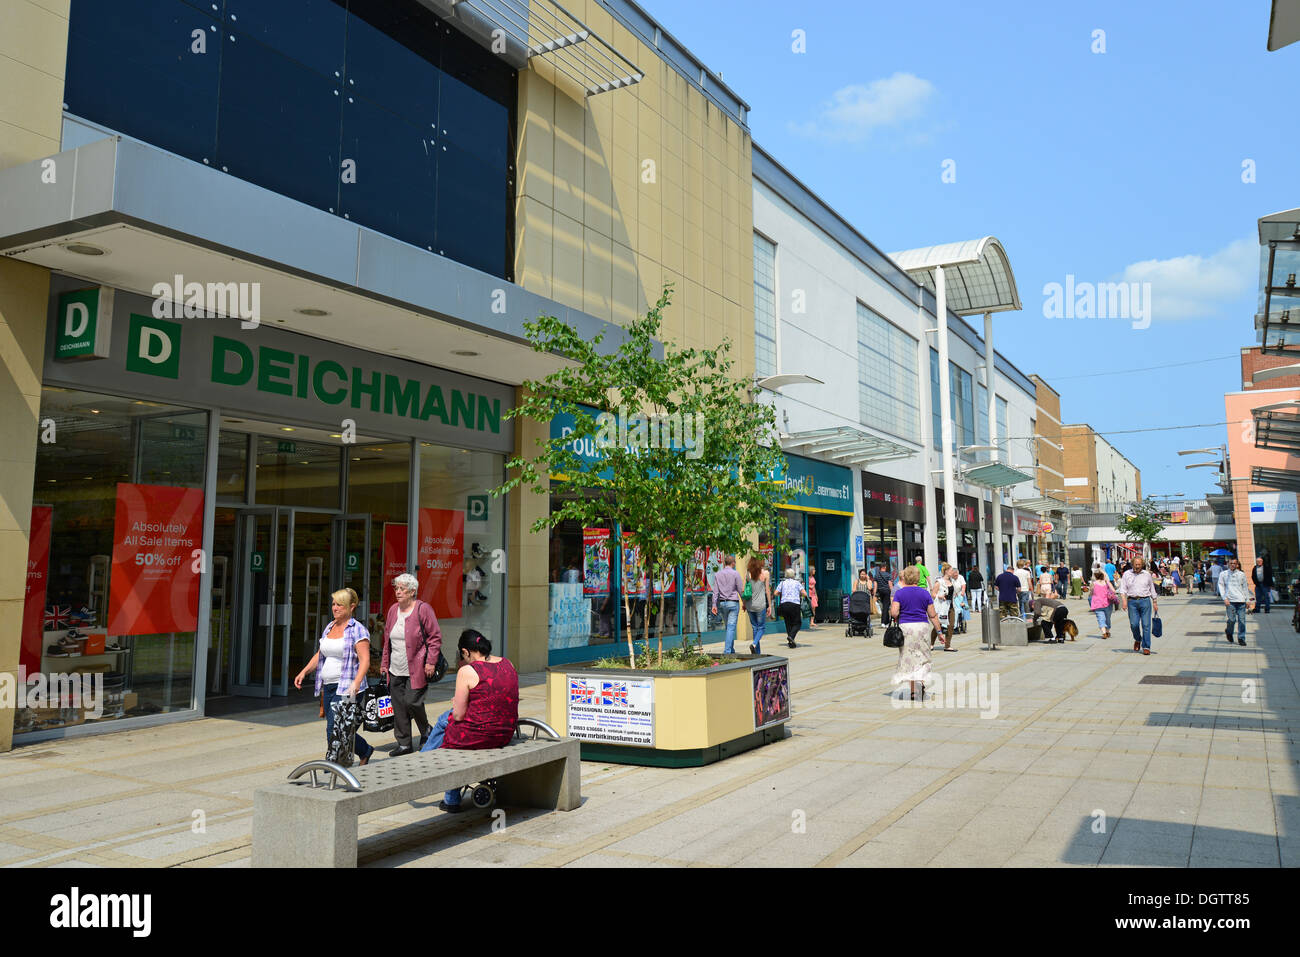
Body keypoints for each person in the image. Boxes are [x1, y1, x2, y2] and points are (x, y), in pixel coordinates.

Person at [420, 629, 520, 812]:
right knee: (450, 723)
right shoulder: (508, 663)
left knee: (446, 721)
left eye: (463, 655)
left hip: (479, 735)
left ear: (466, 652)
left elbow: (458, 715)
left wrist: (459, 702)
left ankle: (425, 765)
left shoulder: (468, 670)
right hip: (504, 733)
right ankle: (443, 787)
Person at [295, 587, 374, 766]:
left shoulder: (357, 630)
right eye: (333, 604)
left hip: (347, 687)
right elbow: (321, 654)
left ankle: (334, 766)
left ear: (351, 607)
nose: (335, 608)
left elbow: (365, 660)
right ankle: (364, 750)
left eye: (340, 605)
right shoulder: (330, 626)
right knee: (343, 729)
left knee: (335, 729)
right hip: (329, 686)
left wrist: (356, 683)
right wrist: (304, 671)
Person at [381, 572, 443, 756]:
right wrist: (385, 663)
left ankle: (426, 731)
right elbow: (387, 639)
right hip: (395, 667)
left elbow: (435, 638)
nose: (398, 592)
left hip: (417, 667)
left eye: (402, 589)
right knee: (398, 705)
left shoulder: (423, 609)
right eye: (397, 588)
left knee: (412, 701)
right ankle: (404, 744)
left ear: (412, 591)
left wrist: (431, 662)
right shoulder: (393, 610)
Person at [891, 566, 942, 702]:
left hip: (906, 628)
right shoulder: (925, 593)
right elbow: (932, 615)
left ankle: (913, 691)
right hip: (922, 628)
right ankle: (920, 685)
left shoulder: (899, 593)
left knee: (908, 658)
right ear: (918, 578)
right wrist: (939, 631)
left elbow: (894, 613)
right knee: (922, 657)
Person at [1119, 556, 1159, 655]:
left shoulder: (1147, 575)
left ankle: (1146, 646)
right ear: (1132, 564)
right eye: (1135, 564)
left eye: (1139, 564)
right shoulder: (1127, 574)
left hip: (1145, 601)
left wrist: (1154, 601)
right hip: (1132, 602)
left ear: (1142, 565)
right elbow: (1123, 589)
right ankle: (1137, 639)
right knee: (1134, 624)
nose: (1137, 566)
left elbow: (1152, 588)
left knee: (1146, 625)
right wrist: (1124, 601)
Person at [711, 554, 744, 654]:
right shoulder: (735, 574)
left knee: (729, 628)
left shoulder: (718, 574)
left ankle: (731, 650)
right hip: (733, 603)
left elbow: (715, 591)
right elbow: (740, 590)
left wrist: (714, 605)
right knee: (731, 627)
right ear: (733, 563)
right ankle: (727, 651)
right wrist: (745, 602)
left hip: (722, 604)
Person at [1219, 556, 1254, 645]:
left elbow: (1245, 587)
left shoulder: (1241, 574)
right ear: (1228, 564)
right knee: (1232, 620)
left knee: (1242, 621)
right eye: (1231, 563)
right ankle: (1229, 632)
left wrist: (1247, 599)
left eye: (1234, 563)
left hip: (1241, 601)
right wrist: (1224, 598)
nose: (1232, 565)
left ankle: (1241, 638)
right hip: (1230, 601)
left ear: (1237, 564)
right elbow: (1221, 586)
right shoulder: (1223, 574)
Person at [745, 556, 772, 655]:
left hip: (750, 605)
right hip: (760, 605)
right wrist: (769, 605)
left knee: (755, 628)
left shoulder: (748, 574)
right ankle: (754, 644)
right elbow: (767, 590)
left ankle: (757, 652)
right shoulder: (765, 574)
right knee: (761, 628)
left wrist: (744, 604)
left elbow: (746, 590)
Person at [775, 568, 806, 649]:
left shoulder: (782, 583)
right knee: (797, 623)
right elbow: (804, 593)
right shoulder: (797, 583)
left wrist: (783, 593)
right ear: (793, 575)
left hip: (784, 604)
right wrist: (799, 594)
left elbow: (776, 593)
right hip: (794, 604)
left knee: (788, 623)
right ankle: (791, 636)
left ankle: (791, 642)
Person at [1088, 569, 1116, 639]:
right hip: (1107, 603)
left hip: (1097, 604)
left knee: (1100, 618)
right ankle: (1107, 631)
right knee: (1107, 618)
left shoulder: (1093, 583)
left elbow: (1090, 593)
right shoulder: (1106, 583)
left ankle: (1104, 633)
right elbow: (1114, 591)